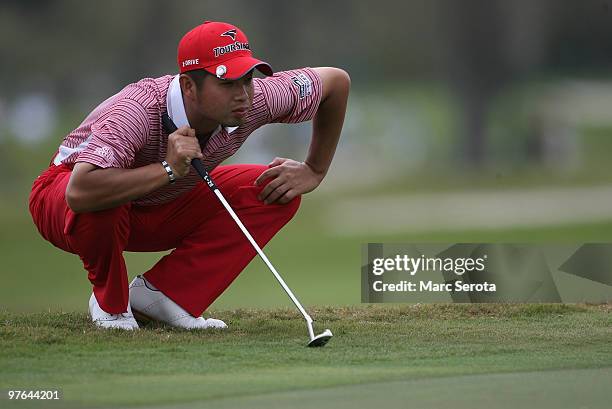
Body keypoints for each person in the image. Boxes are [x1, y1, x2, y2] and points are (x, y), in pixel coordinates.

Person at [28, 21, 350, 330]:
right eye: (226, 83)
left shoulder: (255, 100)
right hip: (66, 197)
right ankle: (111, 305)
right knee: (106, 196)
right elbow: (80, 190)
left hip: (157, 203)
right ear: (188, 86)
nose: (243, 94)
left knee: (274, 191)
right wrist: (167, 169)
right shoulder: (136, 110)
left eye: (247, 79)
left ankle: (164, 297)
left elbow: (335, 83)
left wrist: (314, 169)